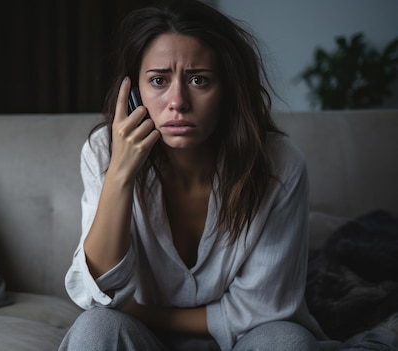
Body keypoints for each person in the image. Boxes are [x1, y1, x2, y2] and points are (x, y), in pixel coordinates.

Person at [58, 0, 336, 350]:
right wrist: (120, 174)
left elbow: (264, 309)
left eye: (199, 80)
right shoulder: (103, 152)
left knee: (286, 340)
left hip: (244, 341)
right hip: (138, 339)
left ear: (228, 90)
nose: (178, 101)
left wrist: (143, 311)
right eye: (159, 80)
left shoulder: (280, 164)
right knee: (95, 328)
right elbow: (97, 293)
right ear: (133, 94)